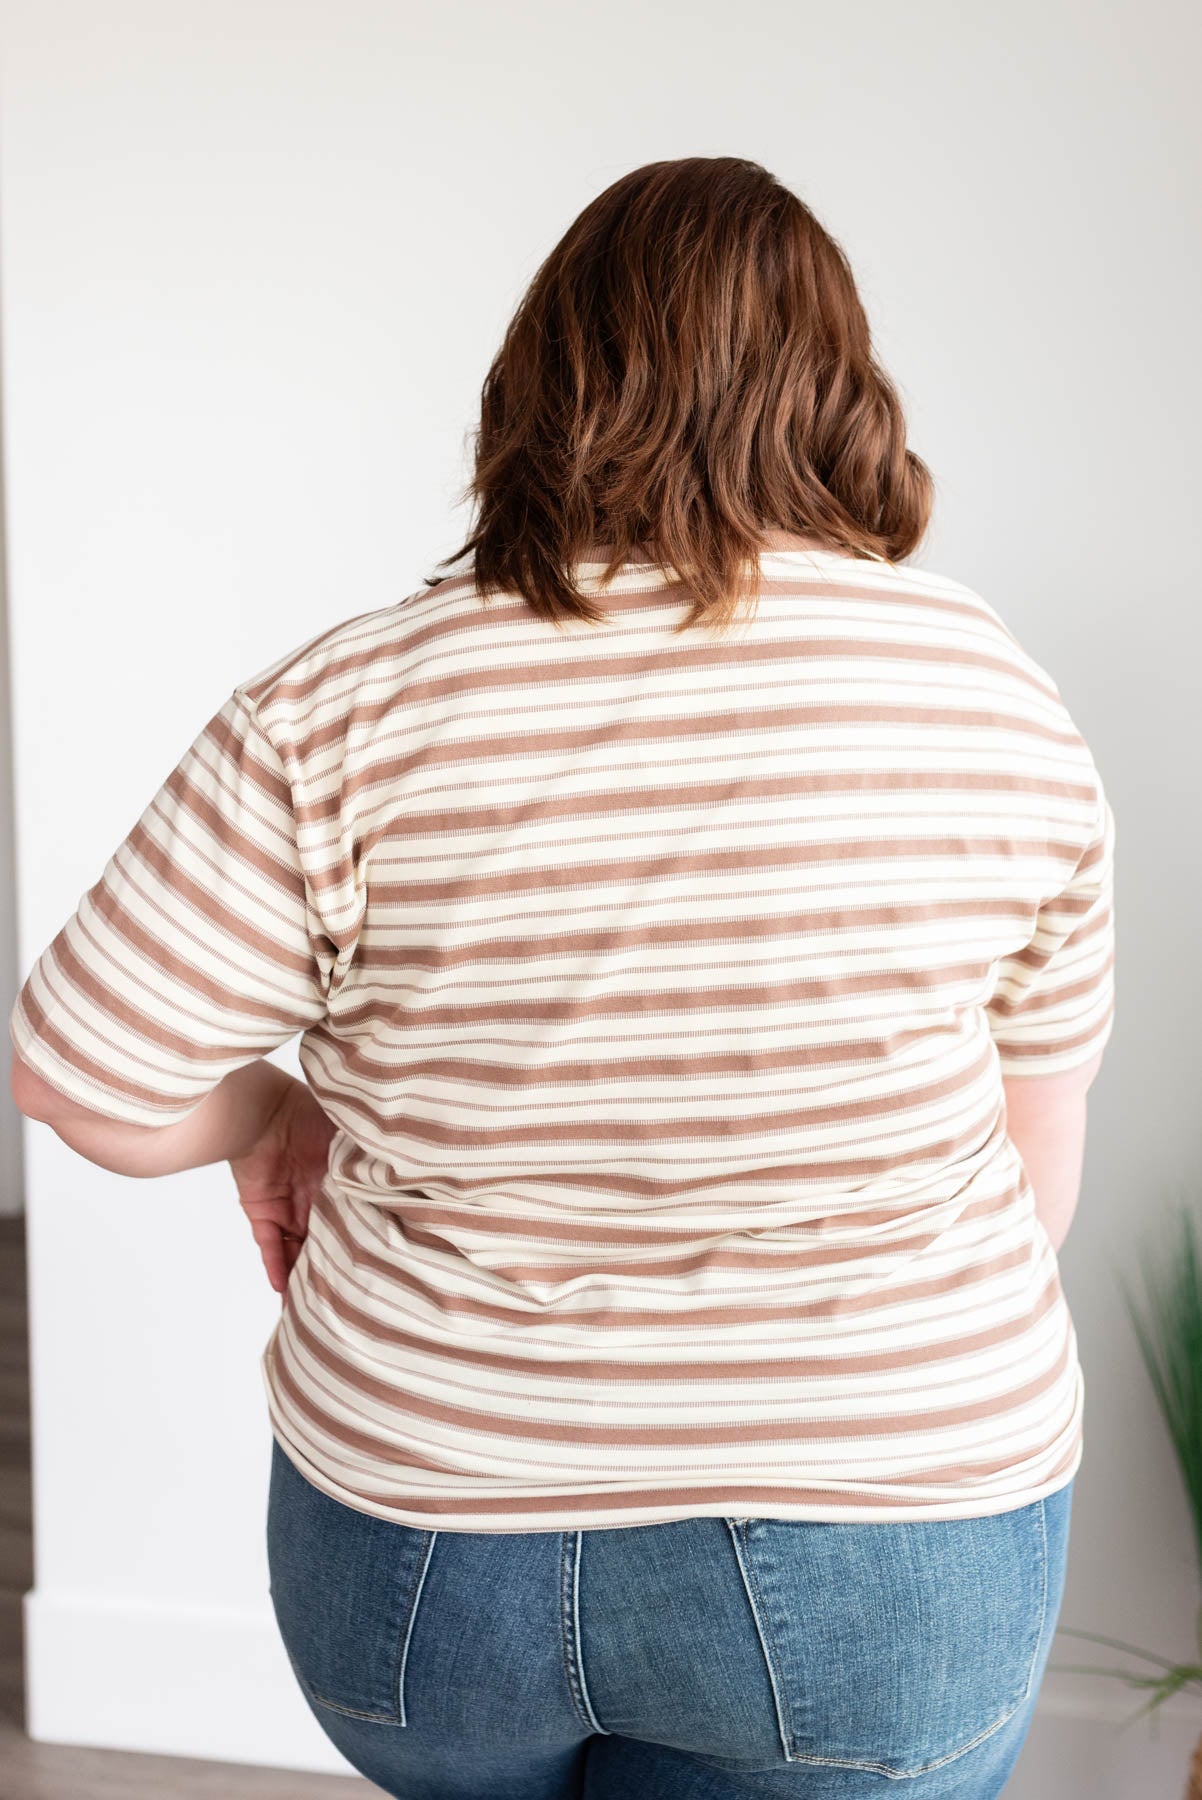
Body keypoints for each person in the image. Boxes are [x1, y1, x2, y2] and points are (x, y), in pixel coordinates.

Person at [8, 156, 1114, 1799]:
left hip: (424, 1561)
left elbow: (76, 1081)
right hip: (884, 1555)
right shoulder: (985, 695)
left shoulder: (345, 704)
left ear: (538, 386)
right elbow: (1033, 1183)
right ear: (836, 393)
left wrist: (268, 1119)